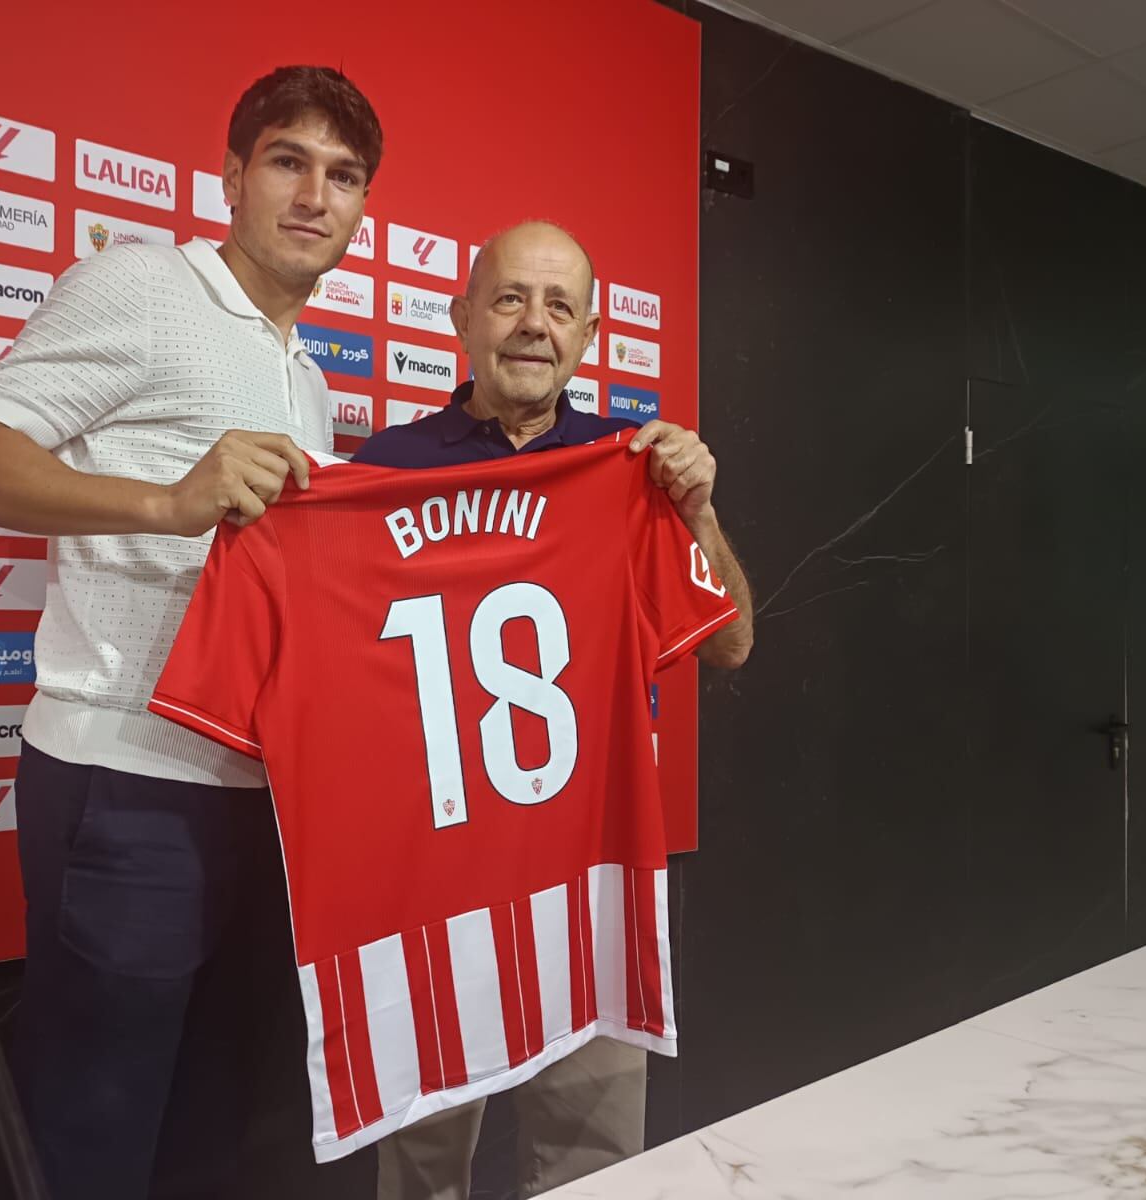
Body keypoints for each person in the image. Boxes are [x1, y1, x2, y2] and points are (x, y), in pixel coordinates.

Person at [0, 66, 383, 1199]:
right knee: (91, 1133)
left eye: (344, 176)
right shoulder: (139, 286)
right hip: (123, 782)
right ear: (231, 176)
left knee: (207, 1130)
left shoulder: (307, 377)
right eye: (288, 161)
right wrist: (163, 503)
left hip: (251, 798)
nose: (314, 195)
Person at [353, 219, 753, 1200]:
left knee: (594, 1165)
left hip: (595, 880)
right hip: (432, 885)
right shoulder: (381, 471)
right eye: (510, 298)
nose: (535, 324)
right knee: (420, 1168)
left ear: (585, 335)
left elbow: (731, 646)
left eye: (559, 305)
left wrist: (696, 512)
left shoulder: (635, 471)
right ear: (460, 317)